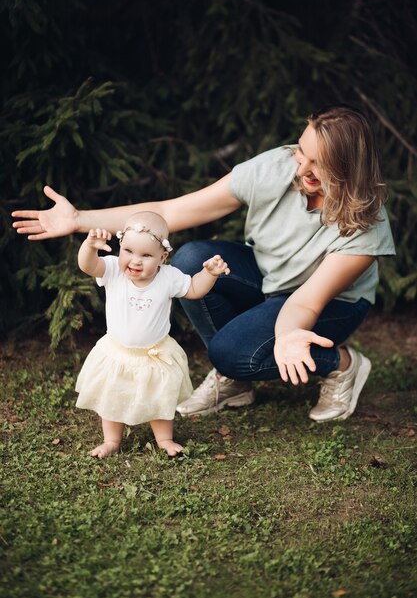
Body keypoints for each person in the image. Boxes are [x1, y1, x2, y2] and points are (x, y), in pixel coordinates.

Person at [12, 104, 395, 423]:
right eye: (301, 151)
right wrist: (79, 219)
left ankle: (341, 363)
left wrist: (288, 334)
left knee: (231, 352)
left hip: (327, 304)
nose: (301, 168)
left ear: (347, 168)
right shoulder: (275, 168)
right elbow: (169, 211)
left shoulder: (366, 227)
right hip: (268, 277)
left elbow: (305, 303)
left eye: (318, 163)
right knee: (192, 258)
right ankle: (236, 382)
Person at [73, 210, 229, 458]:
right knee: (113, 397)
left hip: (155, 353)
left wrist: (209, 274)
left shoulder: (168, 277)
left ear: (163, 256)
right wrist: (89, 247)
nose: (135, 261)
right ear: (120, 247)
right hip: (117, 353)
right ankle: (112, 440)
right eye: (129, 251)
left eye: (146, 255)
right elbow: (88, 265)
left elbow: (194, 289)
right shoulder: (113, 270)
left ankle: (165, 438)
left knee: (159, 398)